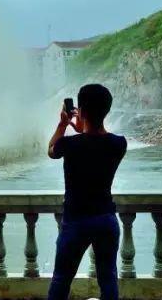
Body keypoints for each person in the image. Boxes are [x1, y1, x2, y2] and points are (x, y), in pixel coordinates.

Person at [47, 84, 127, 300]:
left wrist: (63, 124)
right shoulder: (119, 144)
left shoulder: (69, 144)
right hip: (105, 220)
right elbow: (95, 140)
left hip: (75, 221)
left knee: (61, 279)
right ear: (106, 111)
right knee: (108, 279)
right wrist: (84, 126)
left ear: (80, 112)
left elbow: (51, 151)